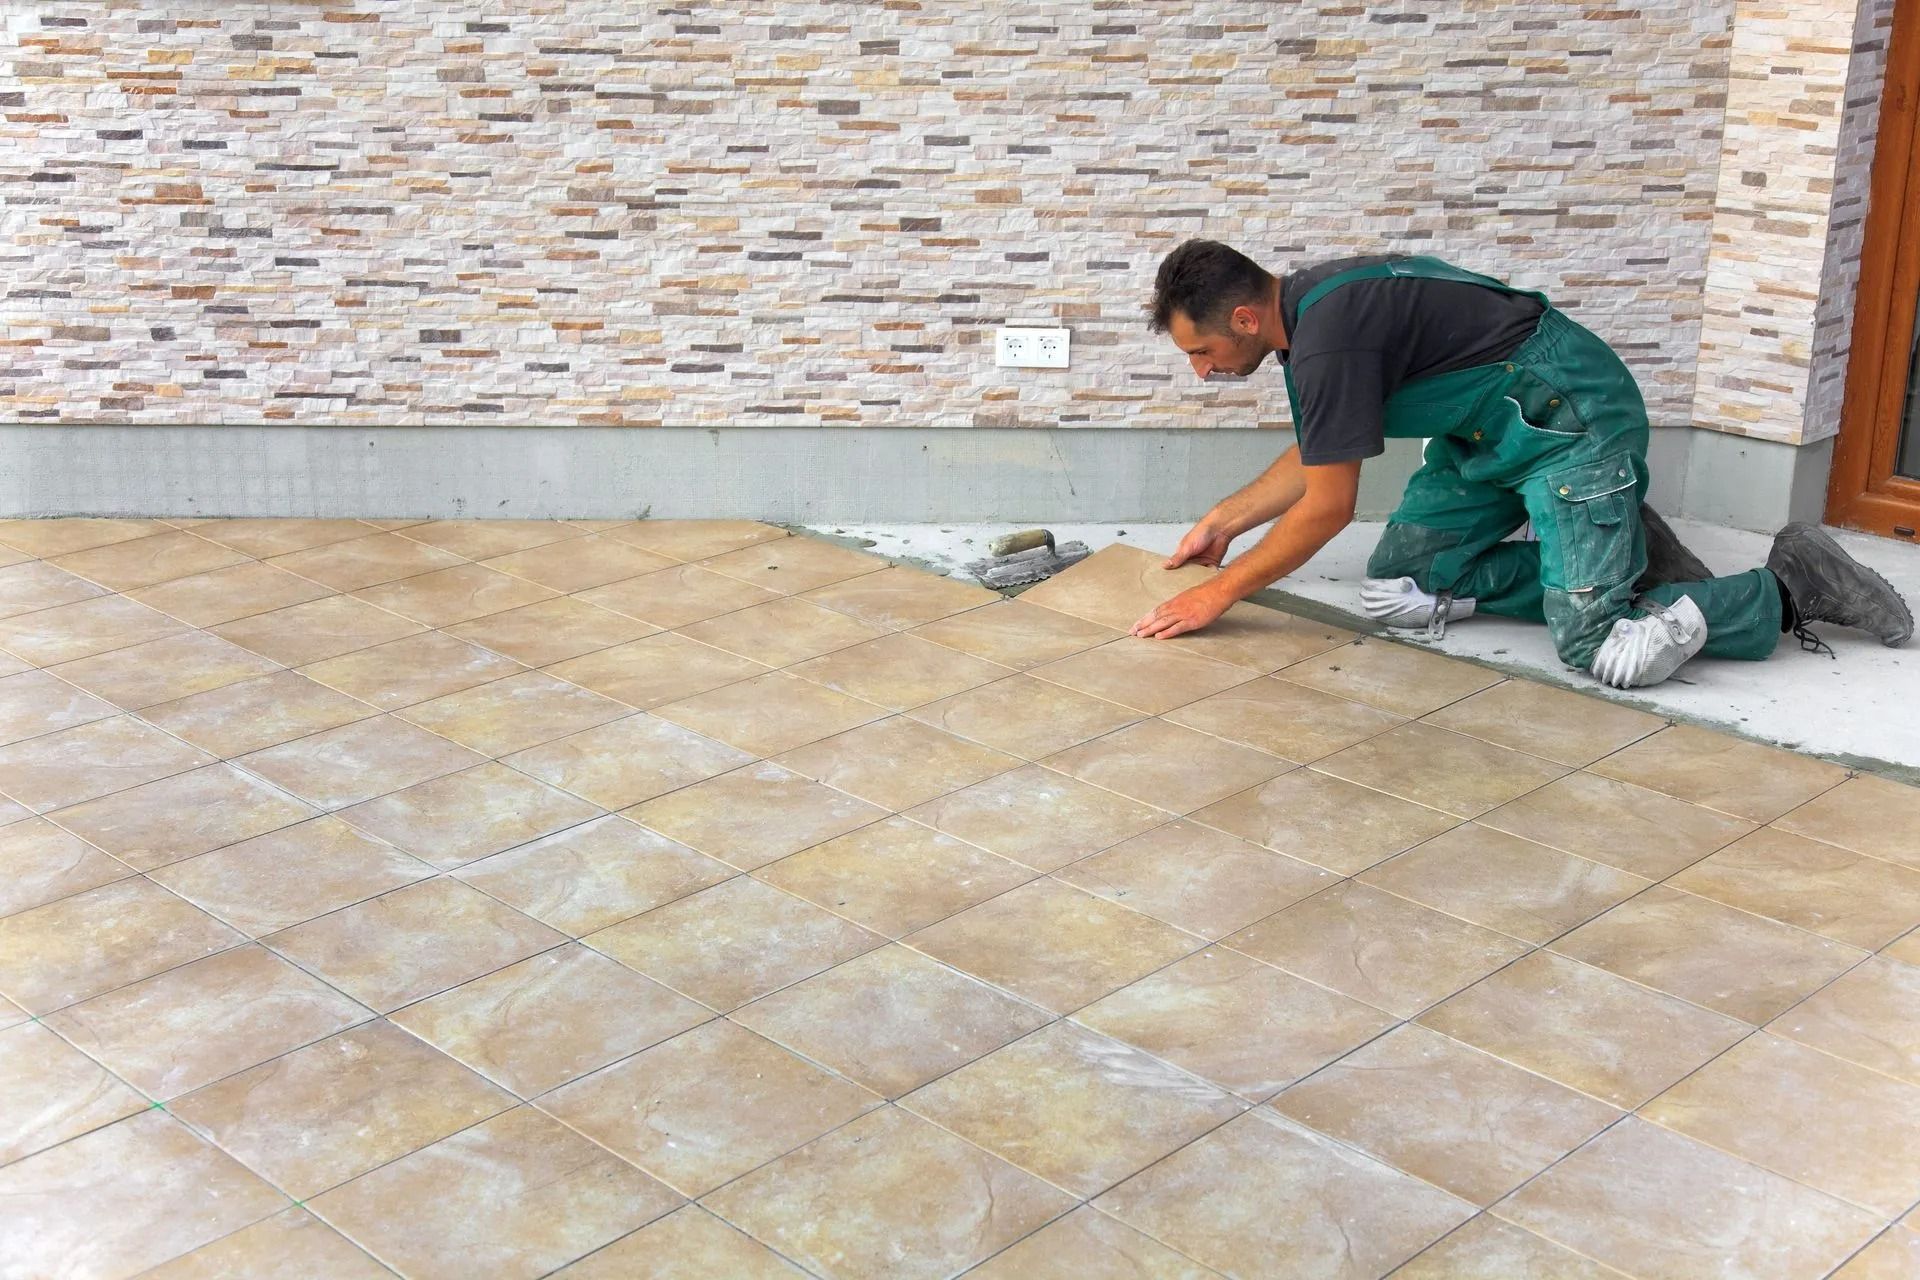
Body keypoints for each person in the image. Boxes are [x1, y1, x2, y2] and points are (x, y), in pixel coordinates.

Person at [1133, 241, 1912, 687]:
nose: (1202, 371)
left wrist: (1221, 596)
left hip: (1574, 429)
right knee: (1398, 594)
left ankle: (1791, 586)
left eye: (1202, 353)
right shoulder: (1309, 314)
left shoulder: (1328, 336)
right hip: (1491, 438)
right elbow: (1320, 452)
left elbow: (1329, 505)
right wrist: (1224, 521)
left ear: (1242, 317)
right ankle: (1619, 555)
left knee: (1605, 652)